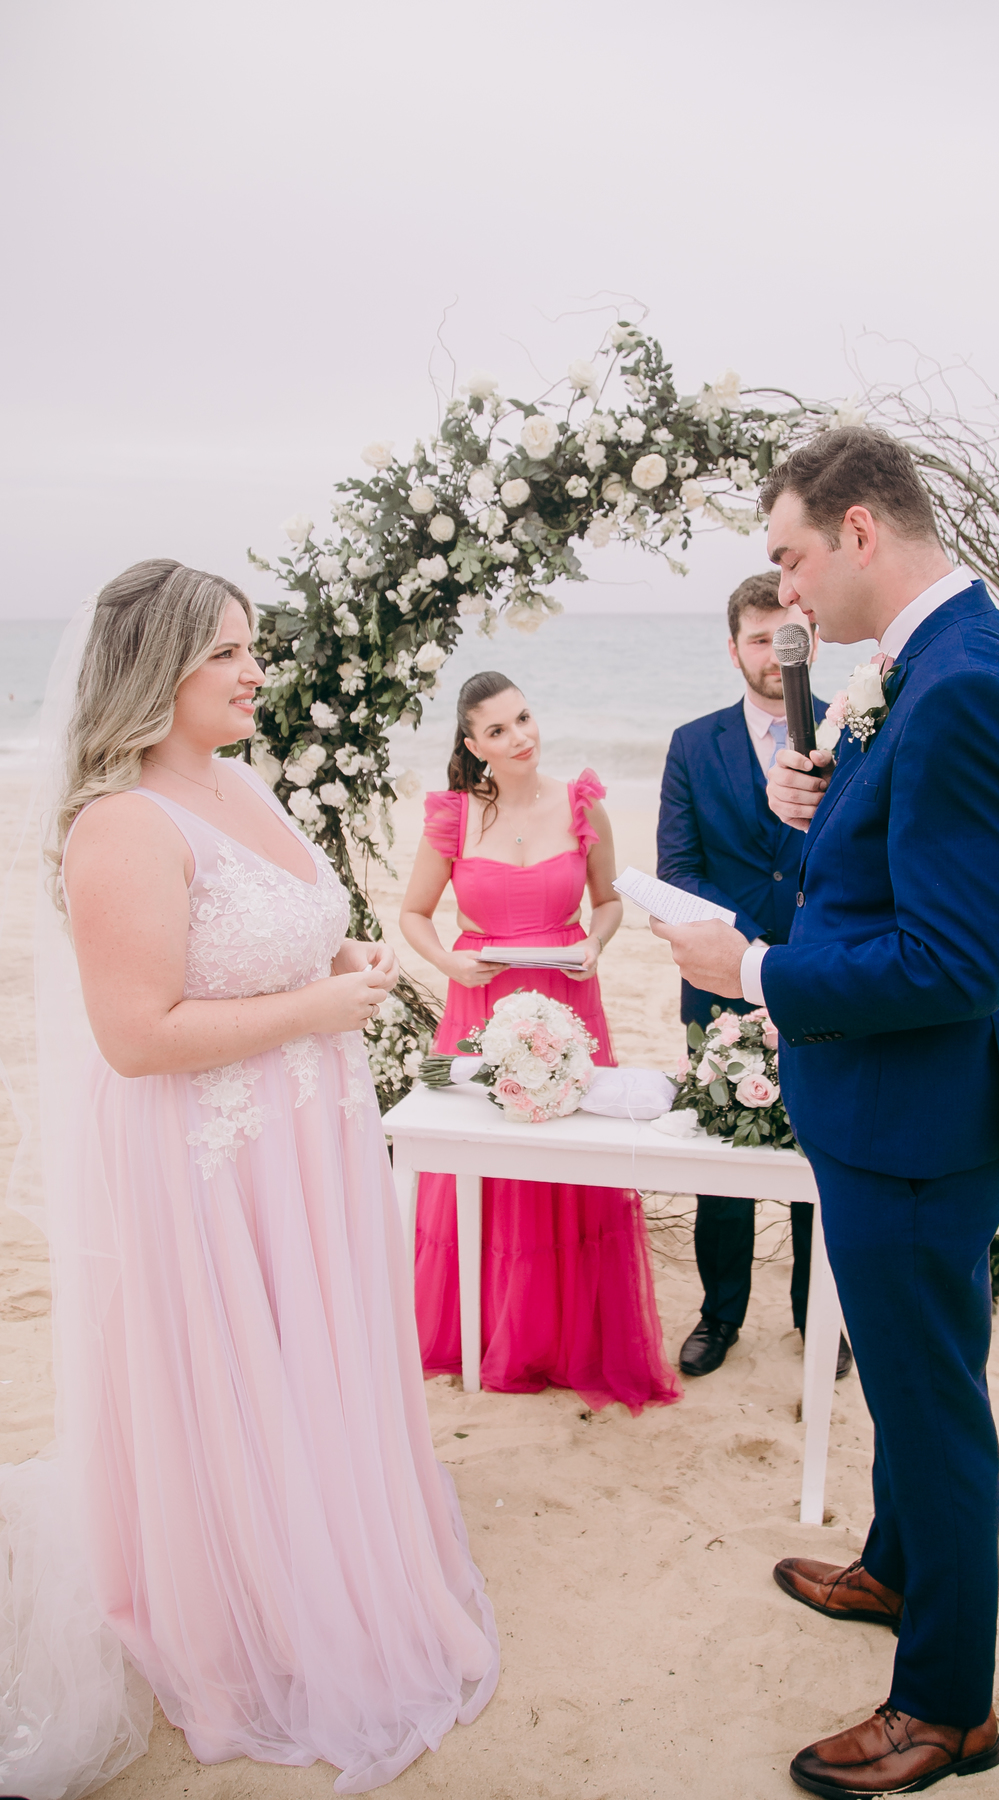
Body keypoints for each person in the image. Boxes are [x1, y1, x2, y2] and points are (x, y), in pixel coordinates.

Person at [651, 429, 999, 1794]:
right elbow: (903, 871)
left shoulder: (968, 686)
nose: (784, 593)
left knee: (931, 1405)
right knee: (898, 1375)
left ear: (861, 532)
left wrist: (754, 971)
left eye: (789, 557)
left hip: (921, 1123)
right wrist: (818, 811)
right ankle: (896, 1566)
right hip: (889, 1108)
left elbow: (955, 962)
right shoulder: (929, 663)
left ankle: (947, 1708)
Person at [40, 561, 499, 1794]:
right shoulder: (121, 825)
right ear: (157, 670)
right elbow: (136, 1035)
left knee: (314, 1357)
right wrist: (318, 1008)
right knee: (240, 1368)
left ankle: (337, 1568)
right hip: (216, 1157)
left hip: (310, 1147)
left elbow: (267, 941)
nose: (255, 672)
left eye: (253, 646)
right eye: (226, 653)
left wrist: (339, 960)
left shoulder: (239, 782)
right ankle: (249, 1617)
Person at [400, 671, 682, 1415]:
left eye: (523, 718)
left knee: (570, 1155)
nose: (520, 737)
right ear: (474, 746)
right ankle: (484, 1327)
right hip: (479, 1003)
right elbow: (414, 914)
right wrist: (449, 963)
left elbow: (609, 902)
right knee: (484, 1155)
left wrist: (595, 943)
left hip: (568, 1000)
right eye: (498, 730)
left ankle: (564, 1338)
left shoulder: (582, 803)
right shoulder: (453, 817)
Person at [656, 572, 850, 1381]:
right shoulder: (692, 744)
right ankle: (720, 1313)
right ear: (733, 648)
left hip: (821, 980)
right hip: (717, 985)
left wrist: (787, 960)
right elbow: (678, 868)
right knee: (721, 1154)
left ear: (812, 640)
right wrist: (743, 952)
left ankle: (817, 1317)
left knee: (818, 1150)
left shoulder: (854, 733)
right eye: (758, 638)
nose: (774, 653)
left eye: (786, 637)